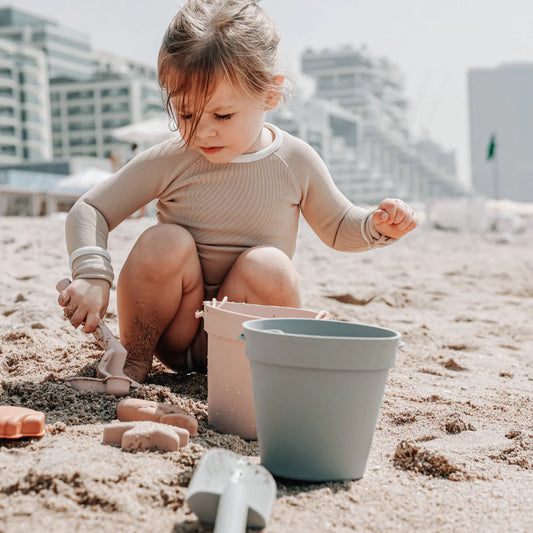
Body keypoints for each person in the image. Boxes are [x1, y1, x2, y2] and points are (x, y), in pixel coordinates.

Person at [58, 0, 417, 383]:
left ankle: (260, 378)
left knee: (271, 266)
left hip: (245, 340)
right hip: (173, 332)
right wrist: (93, 275)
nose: (204, 131)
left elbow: (338, 225)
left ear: (270, 93)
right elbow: (90, 208)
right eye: (186, 114)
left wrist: (377, 226)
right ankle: (134, 363)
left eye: (223, 115)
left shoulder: (294, 160)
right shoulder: (172, 158)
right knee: (164, 241)